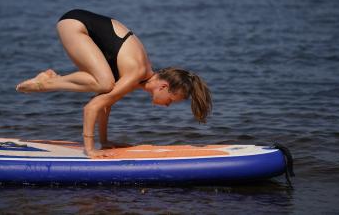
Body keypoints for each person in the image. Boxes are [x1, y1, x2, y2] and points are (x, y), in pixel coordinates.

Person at [16, 9, 212, 157]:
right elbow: (92, 107)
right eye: (171, 100)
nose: (168, 105)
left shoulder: (140, 76)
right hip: (74, 25)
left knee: (105, 86)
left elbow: (105, 103)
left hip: (80, 25)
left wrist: (105, 141)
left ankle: (49, 80)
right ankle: (48, 82)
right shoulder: (136, 73)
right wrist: (91, 149)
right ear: (164, 87)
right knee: (104, 84)